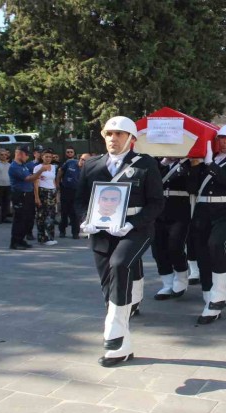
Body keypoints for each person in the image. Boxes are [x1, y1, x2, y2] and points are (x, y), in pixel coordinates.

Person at [75, 116, 164, 367]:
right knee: (108, 286)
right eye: (109, 134)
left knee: (120, 264)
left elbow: (157, 202)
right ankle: (122, 346)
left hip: (135, 230)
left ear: (132, 139)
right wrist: (84, 220)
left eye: (119, 134)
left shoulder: (146, 164)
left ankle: (112, 337)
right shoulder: (92, 165)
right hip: (101, 231)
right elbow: (80, 199)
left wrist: (133, 223)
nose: (113, 139)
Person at [188, 124, 226, 325]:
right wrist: (195, 166)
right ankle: (208, 294)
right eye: (222, 138)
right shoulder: (207, 159)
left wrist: (211, 166)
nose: (225, 141)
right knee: (202, 253)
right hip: (203, 211)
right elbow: (192, 188)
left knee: (216, 244)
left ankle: (219, 295)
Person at [152, 156, 192, 300]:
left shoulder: (189, 163)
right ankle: (167, 284)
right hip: (158, 210)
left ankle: (181, 277)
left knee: (175, 246)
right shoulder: (156, 163)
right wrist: (164, 162)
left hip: (179, 210)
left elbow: (193, 185)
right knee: (158, 248)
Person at [8, 146, 49, 249]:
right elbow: (29, 178)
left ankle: (21, 240)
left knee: (27, 218)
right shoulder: (14, 167)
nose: (27, 157)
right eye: (26, 155)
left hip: (28, 194)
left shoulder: (23, 166)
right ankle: (15, 242)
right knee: (19, 219)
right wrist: (41, 170)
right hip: (20, 195)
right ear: (20, 154)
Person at [57, 151, 86, 238]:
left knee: (75, 213)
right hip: (66, 190)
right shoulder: (70, 162)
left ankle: (75, 233)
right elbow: (60, 171)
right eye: (82, 159)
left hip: (77, 193)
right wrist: (57, 182)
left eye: (85, 160)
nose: (83, 161)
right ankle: (62, 231)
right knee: (64, 212)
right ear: (79, 158)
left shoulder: (87, 169)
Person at [33, 149, 58, 245]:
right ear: (42, 157)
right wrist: (37, 197)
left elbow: (53, 180)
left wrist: (56, 193)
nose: (48, 158)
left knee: (51, 215)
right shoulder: (38, 168)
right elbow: (36, 182)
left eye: (50, 157)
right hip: (42, 191)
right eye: (46, 156)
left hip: (51, 191)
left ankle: (50, 237)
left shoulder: (53, 167)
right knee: (42, 215)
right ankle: (43, 237)